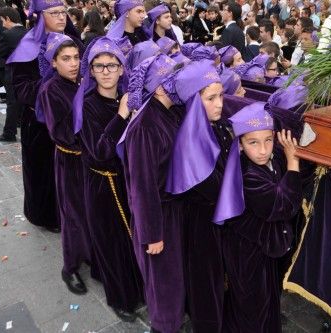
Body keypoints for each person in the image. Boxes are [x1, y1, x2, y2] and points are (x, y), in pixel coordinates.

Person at [214, 102, 302, 333]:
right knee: (253, 307)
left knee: (262, 301)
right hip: (248, 254)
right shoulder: (248, 174)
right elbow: (282, 206)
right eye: (253, 142)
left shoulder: (266, 161)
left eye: (268, 140)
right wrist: (294, 163)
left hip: (262, 249)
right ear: (240, 145)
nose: (263, 150)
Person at [73, 37, 143, 322]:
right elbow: (100, 151)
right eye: (99, 66)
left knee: (128, 239)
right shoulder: (88, 105)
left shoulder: (125, 97)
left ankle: (124, 281)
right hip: (103, 183)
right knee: (111, 240)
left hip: (126, 180)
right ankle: (120, 297)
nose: (105, 71)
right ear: (90, 71)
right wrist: (122, 115)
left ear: (121, 69)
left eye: (111, 65)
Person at [120, 54, 186, 333]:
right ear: (159, 87)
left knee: (174, 276)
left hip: (172, 209)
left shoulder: (169, 111)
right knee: (163, 281)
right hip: (157, 215)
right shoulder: (145, 126)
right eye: (172, 79)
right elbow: (142, 186)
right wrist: (152, 234)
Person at [165, 60, 230, 333]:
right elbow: (217, 188)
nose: (219, 103)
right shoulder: (190, 142)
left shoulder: (211, 126)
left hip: (212, 220)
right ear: (193, 102)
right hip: (202, 225)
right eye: (211, 98)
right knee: (206, 278)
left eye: (221, 95)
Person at [7, 0, 82, 232]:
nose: (62, 17)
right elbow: (21, 89)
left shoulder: (74, 42)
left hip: (73, 118)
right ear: (40, 16)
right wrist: (53, 81)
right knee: (44, 174)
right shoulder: (27, 47)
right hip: (40, 123)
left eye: (63, 12)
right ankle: (47, 217)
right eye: (55, 13)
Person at [37, 32, 92, 295]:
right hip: (70, 161)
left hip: (90, 160)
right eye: (66, 59)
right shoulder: (51, 90)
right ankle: (70, 267)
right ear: (54, 63)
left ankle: (91, 253)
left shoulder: (83, 81)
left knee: (91, 211)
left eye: (76, 58)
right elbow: (61, 132)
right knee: (73, 216)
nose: (73, 63)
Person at [0, 6, 27, 142]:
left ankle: (9, 132)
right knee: (21, 101)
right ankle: (19, 122)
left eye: (2, 21)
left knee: (12, 102)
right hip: (25, 72)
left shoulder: (8, 34)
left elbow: (0, 53)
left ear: (8, 19)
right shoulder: (27, 32)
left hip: (13, 72)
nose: (2, 24)